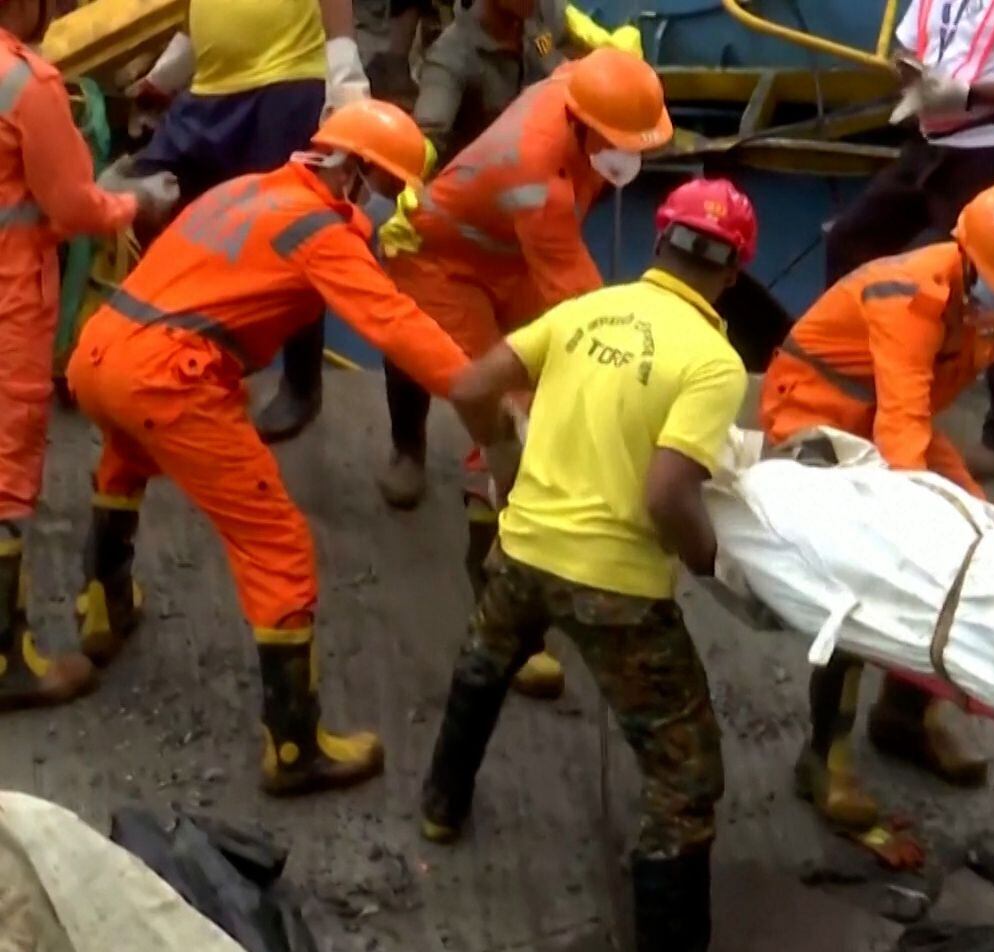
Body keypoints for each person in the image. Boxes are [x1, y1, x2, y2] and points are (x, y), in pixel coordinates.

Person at [418, 177, 778, 952]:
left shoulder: (583, 312)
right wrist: (715, 567)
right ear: (734, 272)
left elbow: (469, 386)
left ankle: (440, 806)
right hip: (616, 586)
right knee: (685, 776)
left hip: (523, 549)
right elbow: (668, 494)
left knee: (486, 658)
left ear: (659, 241)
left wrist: (503, 463)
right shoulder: (713, 363)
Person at [66, 101, 493, 797]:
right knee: (277, 545)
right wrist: (478, 390)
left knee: (125, 461)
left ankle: (102, 606)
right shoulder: (319, 231)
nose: (388, 204)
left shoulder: (247, 190)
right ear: (354, 173)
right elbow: (393, 322)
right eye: (388, 187)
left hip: (101, 351)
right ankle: (294, 747)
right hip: (168, 379)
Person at [763, 181, 994, 829]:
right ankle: (824, 757)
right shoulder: (908, 300)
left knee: (982, 546)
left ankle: (902, 716)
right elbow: (901, 425)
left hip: (885, 420)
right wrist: (909, 529)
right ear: (965, 255)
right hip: (816, 417)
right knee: (862, 581)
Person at [377, 46, 672, 699]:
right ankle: (497, 606)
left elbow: (589, 57)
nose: (631, 156)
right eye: (622, 143)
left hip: (507, 250)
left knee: (546, 395)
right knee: (507, 419)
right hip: (443, 263)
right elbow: (587, 315)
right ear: (585, 125)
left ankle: (533, 549)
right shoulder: (536, 182)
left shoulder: (580, 85)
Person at [376, 1, 642, 508]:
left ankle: (510, 472)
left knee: (545, 369)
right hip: (455, 235)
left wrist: (613, 63)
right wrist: (410, 169)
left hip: (521, 230)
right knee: (444, 356)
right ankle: (411, 449)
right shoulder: (452, 57)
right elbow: (429, 130)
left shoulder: (542, 20)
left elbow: (577, 65)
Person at [0, 0, 180, 711]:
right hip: (9, 297)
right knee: (5, 471)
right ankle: (5, 661)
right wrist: (134, 203)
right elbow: (73, 207)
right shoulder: (26, 84)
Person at [826, 0, 994, 484]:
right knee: (850, 241)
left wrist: (969, 93)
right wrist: (915, 79)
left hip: (990, 152)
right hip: (931, 149)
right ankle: (855, 386)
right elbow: (905, 46)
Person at [129, 0, 375, 444]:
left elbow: (336, 15)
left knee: (289, 232)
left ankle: (301, 383)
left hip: (286, 84)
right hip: (210, 91)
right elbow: (196, 19)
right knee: (160, 207)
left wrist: (347, 92)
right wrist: (163, 75)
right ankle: (196, 354)